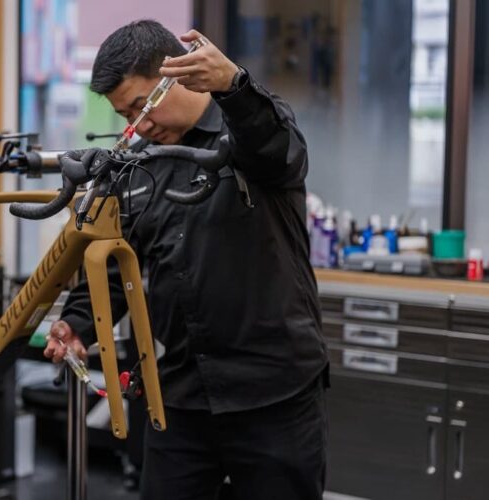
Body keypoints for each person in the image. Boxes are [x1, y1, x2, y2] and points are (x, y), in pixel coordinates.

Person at [43, 19, 329, 500]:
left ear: (174, 75)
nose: (139, 124)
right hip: (179, 393)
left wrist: (234, 87)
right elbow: (115, 268)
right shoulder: (135, 163)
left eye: (140, 105)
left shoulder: (248, 129)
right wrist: (77, 325)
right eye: (125, 114)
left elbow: (278, 151)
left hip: (273, 394)